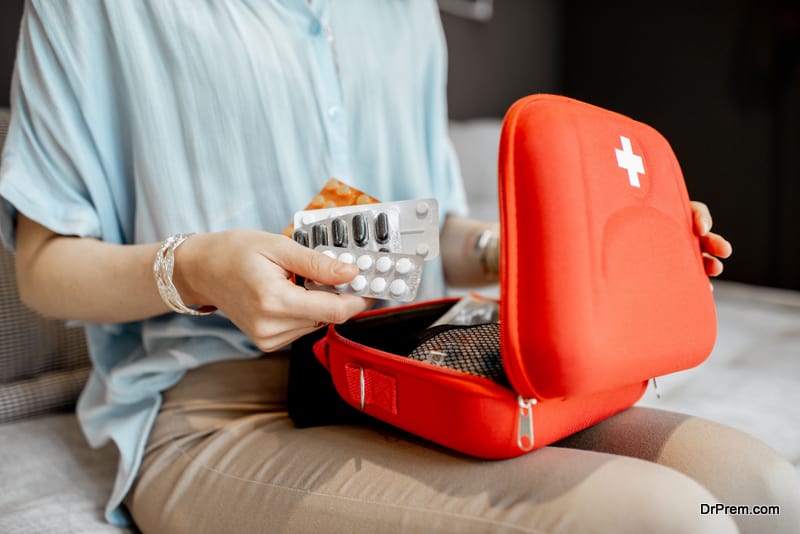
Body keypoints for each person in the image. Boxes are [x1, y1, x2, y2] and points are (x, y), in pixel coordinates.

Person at [1, 1, 797, 533]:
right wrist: (197, 269)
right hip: (221, 406)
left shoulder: (404, 10)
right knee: (672, 518)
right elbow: (41, 267)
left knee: (762, 490)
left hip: (417, 368)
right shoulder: (94, 11)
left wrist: (523, 248)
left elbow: (424, 229)